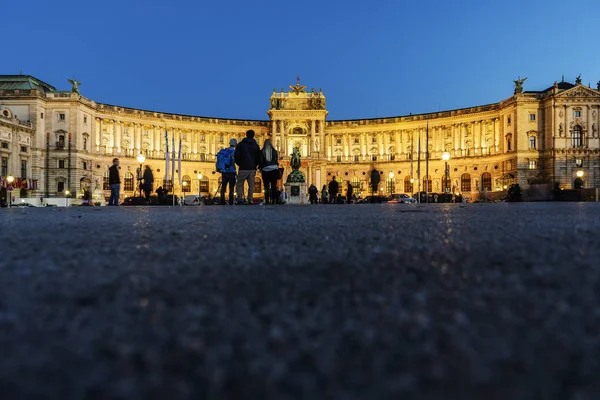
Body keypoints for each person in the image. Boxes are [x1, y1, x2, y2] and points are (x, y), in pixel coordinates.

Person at [234, 130, 261, 204]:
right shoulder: (256, 145)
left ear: (246, 135)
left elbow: (236, 156)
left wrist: (240, 163)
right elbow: (258, 157)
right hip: (252, 168)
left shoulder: (241, 144)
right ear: (253, 136)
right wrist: (256, 164)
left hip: (243, 167)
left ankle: (240, 199)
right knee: (251, 185)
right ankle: (250, 200)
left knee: (239, 184)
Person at [216, 138, 238, 205]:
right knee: (231, 187)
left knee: (223, 187)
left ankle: (222, 201)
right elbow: (235, 161)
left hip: (224, 172)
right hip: (231, 172)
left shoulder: (225, 151)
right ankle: (231, 201)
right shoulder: (234, 151)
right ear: (235, 144)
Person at [260, 138, 279, 205]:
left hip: (265, 170)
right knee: (274, 186)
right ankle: (273, 200)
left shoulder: (262, 151)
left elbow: (261, 161)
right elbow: (276, 161)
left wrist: (261, 167)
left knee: (266, 186)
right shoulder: (275, 151)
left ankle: (267, 200)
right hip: (273, 170)